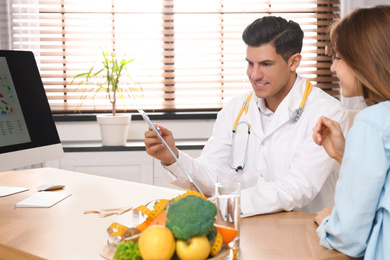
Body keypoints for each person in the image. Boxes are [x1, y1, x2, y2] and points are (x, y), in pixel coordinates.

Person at [144, 16, 348, 217]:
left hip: (302, 234)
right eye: (250, 63)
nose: (254, 74)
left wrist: (229, 203)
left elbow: (298, 186)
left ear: (293, 62)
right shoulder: (235, 109)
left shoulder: (327, 112)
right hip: (246, 230)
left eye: (266, 64)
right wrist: (172, 158)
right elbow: (212, 173)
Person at [312, 5, 390, 259]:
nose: (333, 69)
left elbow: (347, 237)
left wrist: (328, 222)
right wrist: (346, 156)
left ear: (364, 59)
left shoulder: (372, 123)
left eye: (338, 58)